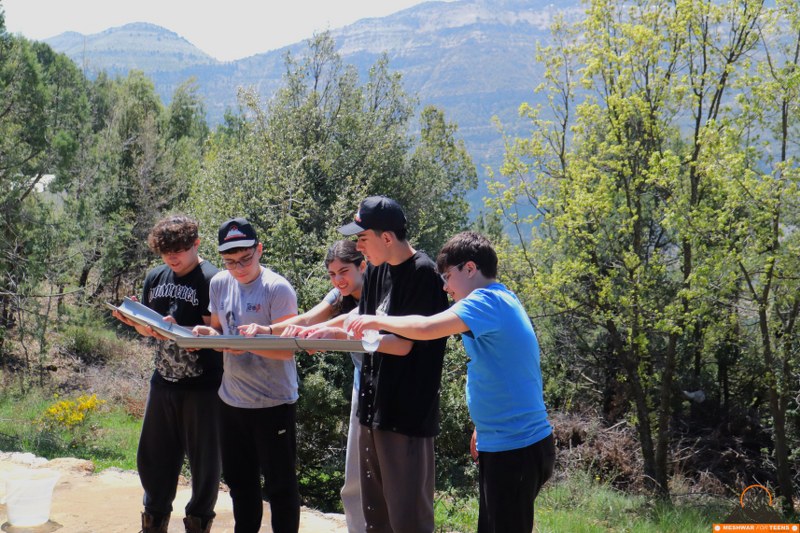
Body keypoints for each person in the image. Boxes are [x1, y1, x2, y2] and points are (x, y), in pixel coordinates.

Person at [347, 231, 555, 533]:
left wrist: (376, 320)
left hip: (516, 448)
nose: (445, 287)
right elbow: (507, 370)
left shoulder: (485, 301)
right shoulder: (500, 300)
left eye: (447, 277)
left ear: (470, 269)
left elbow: (426, 327)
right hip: (506, 442)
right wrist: (481, 428)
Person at [299, 196, 449, 533]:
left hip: (406, 418)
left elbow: (404, 345)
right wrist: (327, 333)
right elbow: (362, 325)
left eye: (363, 238)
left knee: (408, 520)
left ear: (387, 237)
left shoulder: (423, 274)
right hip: (371, 411)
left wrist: (347, 334)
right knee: (375, 519)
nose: (358, 247)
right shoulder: (378, 270)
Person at [238, 240, 367, 533]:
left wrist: (322, 331)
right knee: (356, 474)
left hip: (387, 384)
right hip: (363, 381)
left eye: (344, 272)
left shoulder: (377, 290)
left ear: (362, 266)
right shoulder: (339, 294)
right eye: (332, 274)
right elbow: (309, 318)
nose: (338, 280)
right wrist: (268, 330)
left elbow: (355, 320)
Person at [111, 214, 222, 533]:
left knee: (204, 463)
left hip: (203, 384)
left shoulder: (212, 279)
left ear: (196, 244)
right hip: (162, 380)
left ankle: (199, 522)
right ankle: (153, 522)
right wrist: (135, 322)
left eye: (180, 250)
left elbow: (216, 333)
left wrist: (180, 329)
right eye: (165, 252)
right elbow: (151, 331)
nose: (172, 257)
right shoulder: (155, 277)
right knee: (154, 456)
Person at [191, 217, 300, 533]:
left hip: (273, 401)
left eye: (245, 259)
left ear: (259, 250)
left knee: (280, 486)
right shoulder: (218, 283)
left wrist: (245, 345)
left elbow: (288, 350)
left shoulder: (277, 288)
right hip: (232, 400)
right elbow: (218, 330)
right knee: (240, 482)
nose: (238, 268)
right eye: (230, 262)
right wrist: (207, 336)